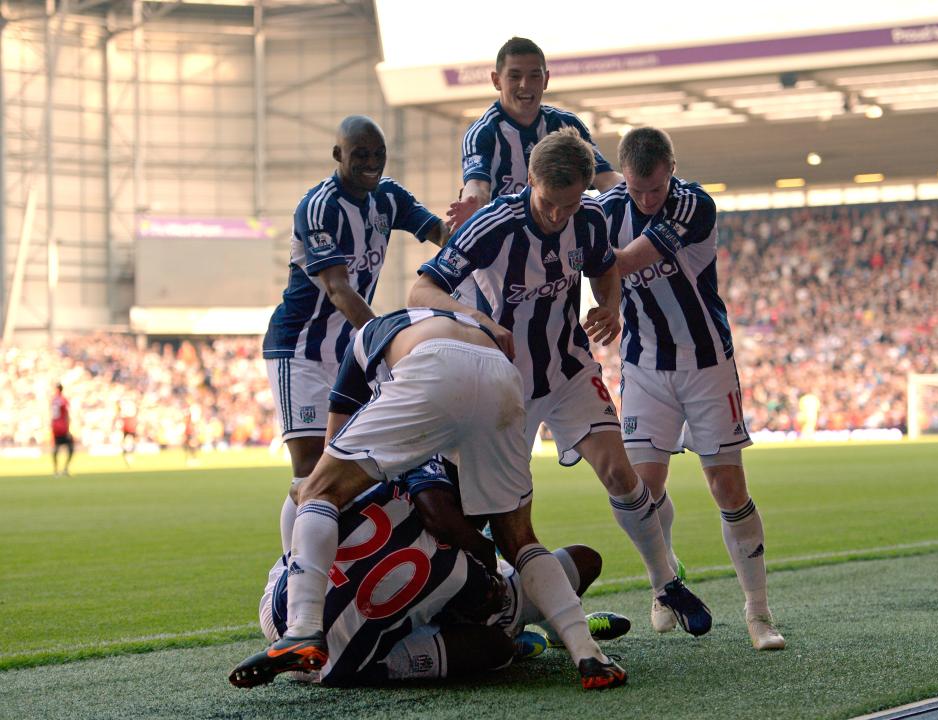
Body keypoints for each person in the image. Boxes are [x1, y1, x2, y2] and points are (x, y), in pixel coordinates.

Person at [409, 128, 712, 639]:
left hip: (568, 369)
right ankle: (500, 612)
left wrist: (609, 305)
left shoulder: (589, 217)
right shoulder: (492, 226)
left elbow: (605, 268)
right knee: (499, 516)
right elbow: (423, 289)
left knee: (621, 473)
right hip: (502, 390)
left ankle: (665, 583)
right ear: (530, 180)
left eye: (569, 206)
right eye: (550, 203)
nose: (558, 216)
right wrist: (476, 320)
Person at [231, 307, 626, 690]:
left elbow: (334, 448)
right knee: (523, 541)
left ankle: (303, 628)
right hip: (501, 376)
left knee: (315, 488)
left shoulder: (377, 344)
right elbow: (442, 517)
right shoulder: (455, 556)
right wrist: (486, 558)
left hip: (294, 620)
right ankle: (585, 651)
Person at [599, 126, 785, 650]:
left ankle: (759, 613)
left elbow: (624, 260)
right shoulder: (611, 205)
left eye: (654, 188)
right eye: (635, 190)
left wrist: (591, 269)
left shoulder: (693, 205)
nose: (645, 199)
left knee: (727, 487)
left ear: (671, 171)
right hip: (644, 365)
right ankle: (666, 580)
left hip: (706, 365)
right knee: (642, 487)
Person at [232, 459, 629, 688]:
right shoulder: (458, 570)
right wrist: (483, 558)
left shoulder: (386, 485)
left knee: (309, 497)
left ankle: (298, 616)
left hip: (281, 608)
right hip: (342, 664)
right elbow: (480, 605)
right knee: (496, 646)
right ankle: (551, 629)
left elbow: (300, 492)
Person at [261, 115, 450, 555]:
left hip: (349, 350)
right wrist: (384, 342)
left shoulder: (389, 198)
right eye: (360, 154)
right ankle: (295, 575)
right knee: (310, 471)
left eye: (378, 155)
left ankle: (348, 561)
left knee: (359, 465)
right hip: (301, 350)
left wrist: (472, 240)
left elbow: (439, 233)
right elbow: (337, 288)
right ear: (338, 155)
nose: (371, 163)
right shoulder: (318, 206)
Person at [446, 36, 622, 233]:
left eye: (534, 76)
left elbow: (606, 180)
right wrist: (473, 203)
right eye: (514, 76)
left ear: (546, 79)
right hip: (508, 244)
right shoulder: (483, 132)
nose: (525, 84)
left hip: (563, 240)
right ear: (497, 81)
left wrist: (645, 187)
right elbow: (478, 185)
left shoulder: (567, 124)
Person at [50, 383, 74, 476]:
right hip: (63, 427)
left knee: (56, 448)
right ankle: (65, 469)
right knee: (71, 448)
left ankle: (56, 470)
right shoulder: (63, 400)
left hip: (55, 427)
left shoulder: (53, 400)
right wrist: (68, 428)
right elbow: (67, 414)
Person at [118, 398, 137, 466]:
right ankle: (128, 454)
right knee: (127, 442)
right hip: (128, 426)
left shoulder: (127, 414)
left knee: (129, 442)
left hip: (129, 425)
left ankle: (128, 455)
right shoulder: (126, 414)